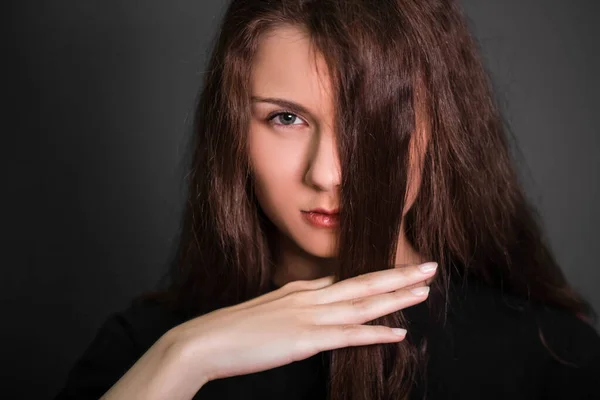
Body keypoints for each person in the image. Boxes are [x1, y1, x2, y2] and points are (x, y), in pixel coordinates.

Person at [53, 0, 600, 399]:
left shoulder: (548, 356)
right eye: (285, 118)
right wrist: (185, 358)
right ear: (233, 134)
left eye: (372, 122)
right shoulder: (147, 348)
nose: (328, 173)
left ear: (436, 131)